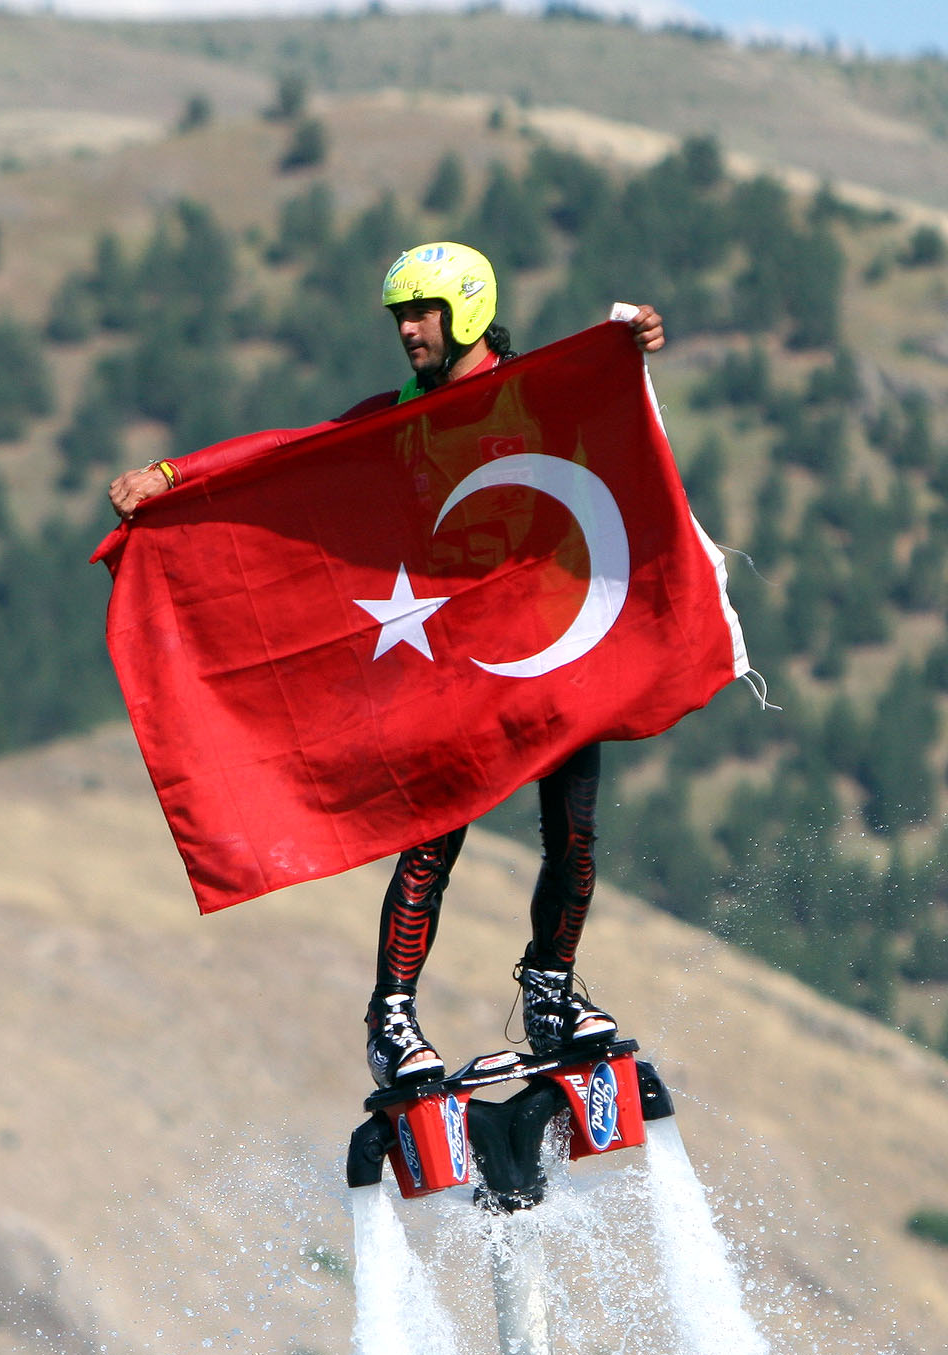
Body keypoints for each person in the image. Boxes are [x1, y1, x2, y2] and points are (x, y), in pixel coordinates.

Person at [107, 241, 665, 1089]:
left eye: (422, 313)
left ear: (469, 310)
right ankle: (391, 1017)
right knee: (430, 841)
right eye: (399, 315)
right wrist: (172, 473)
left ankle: (549, 989)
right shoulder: (400, 412)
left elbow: (602, 385)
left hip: (548, 647)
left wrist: (633, 341)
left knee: (575, 839)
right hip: (451, 664)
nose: (407, 329)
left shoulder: (534, 391)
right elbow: (291, 447)